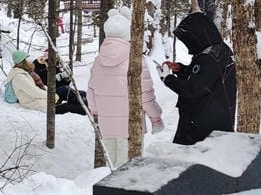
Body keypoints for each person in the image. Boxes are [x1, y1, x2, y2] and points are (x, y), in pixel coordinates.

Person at [86, 9, 163, 167]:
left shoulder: (98, 60)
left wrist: (97, 113)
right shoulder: (135, 60)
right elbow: (145, 95)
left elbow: (91, 92)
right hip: (130, 127)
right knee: (127, 171)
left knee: (111, 169)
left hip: (106, 126)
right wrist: (156, 119)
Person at [161, 10, 237, 145]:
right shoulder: (218, 51)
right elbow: (204, 78)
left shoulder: (210, 57)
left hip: (202, 126)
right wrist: (181, 69)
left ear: (198, 35)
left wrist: (168, 79)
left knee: (187, 156)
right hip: (213, 121)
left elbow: (193, 89)